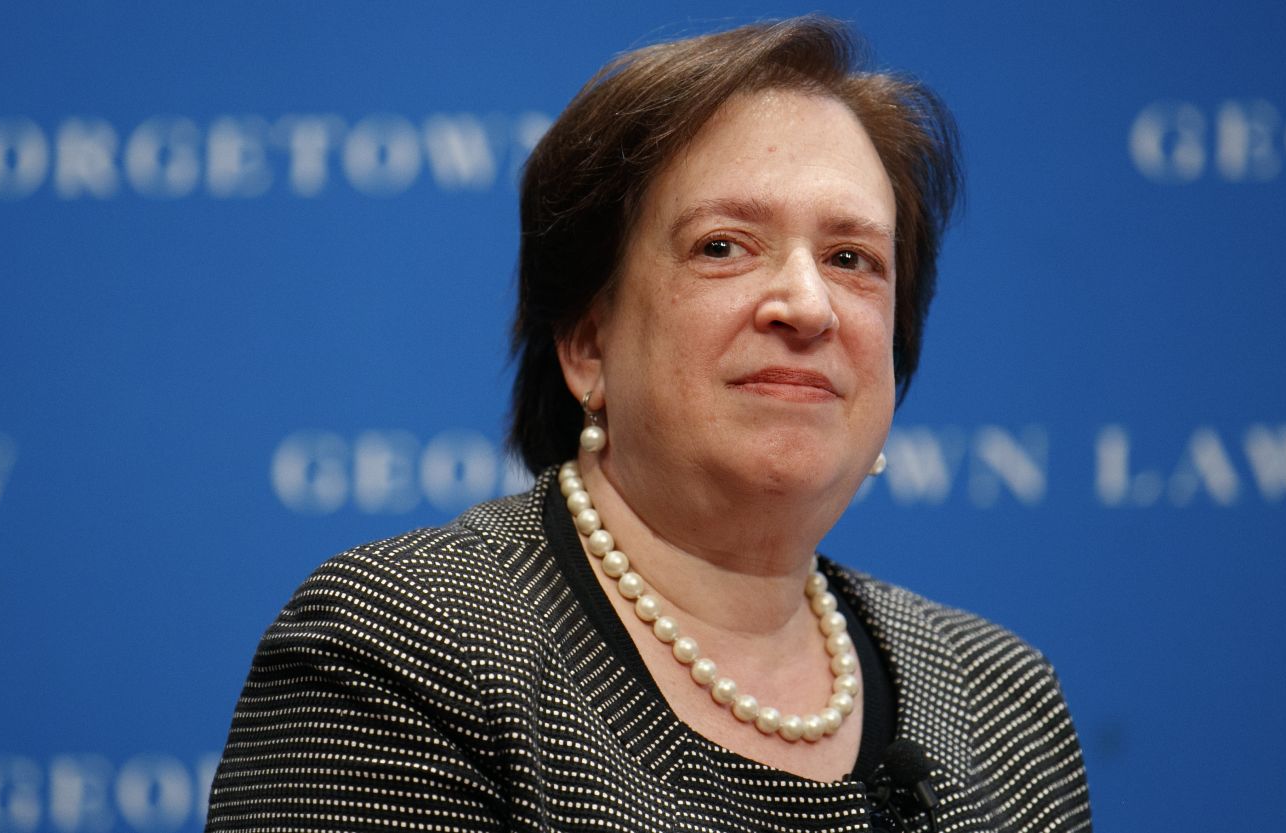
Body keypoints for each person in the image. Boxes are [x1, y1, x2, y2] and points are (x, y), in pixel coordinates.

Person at [206, 16, 1091, 833]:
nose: (807, 304)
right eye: (723, 246)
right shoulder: (410, 649)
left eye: (852, 259)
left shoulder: (1003, 701)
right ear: (589, 344)